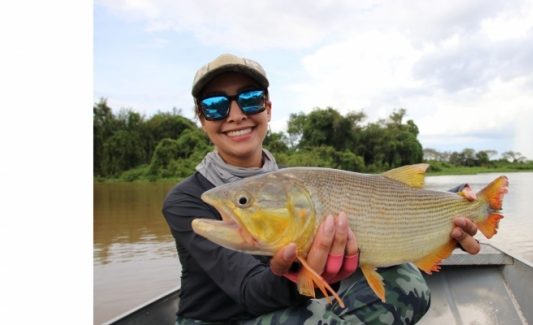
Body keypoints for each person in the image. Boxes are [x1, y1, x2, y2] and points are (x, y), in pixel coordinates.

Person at [162, 53, 482, 325]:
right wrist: (297, 278)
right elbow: (250, 292)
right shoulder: (186, 200)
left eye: (249, 98)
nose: (235, 114)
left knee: (408, 282)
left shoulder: (298, 183)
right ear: (201, 120)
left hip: (297, 306)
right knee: (315, 318)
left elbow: (382, 207)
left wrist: (446, 219)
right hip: (221, 319)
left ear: (268, 109)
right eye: (216, 105)